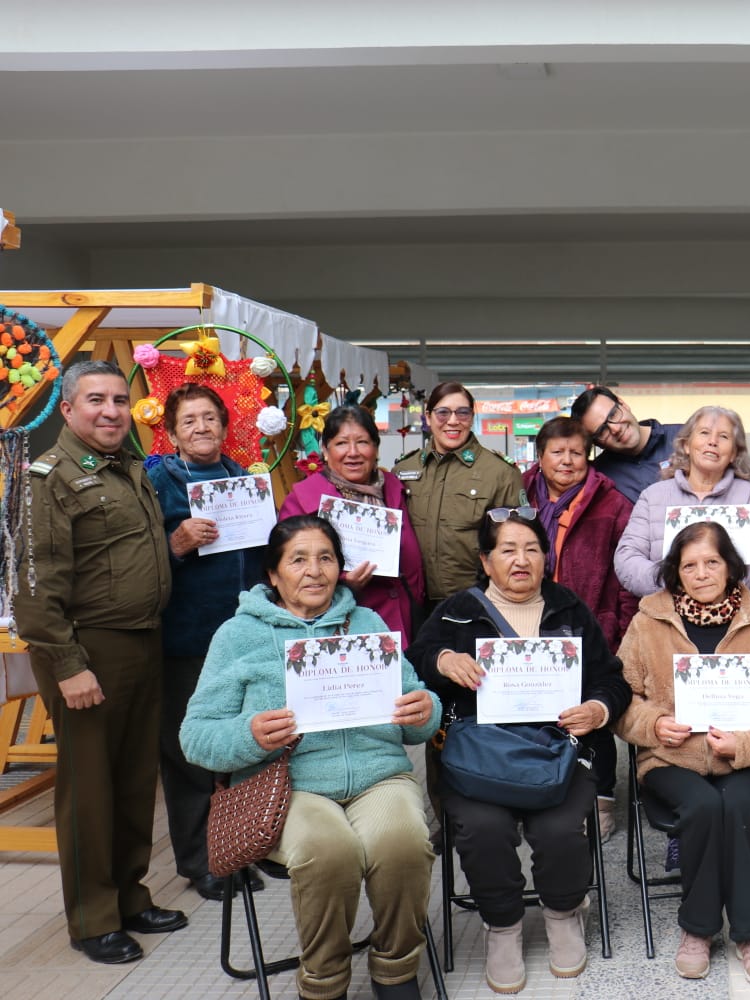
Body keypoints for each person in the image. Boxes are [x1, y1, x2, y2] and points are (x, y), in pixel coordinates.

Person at [181, 516, 438, 1000]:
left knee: (403, 840)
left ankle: (396, 969)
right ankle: (324, 982)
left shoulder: (367, 623)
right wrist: (250, 734)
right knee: (329, 851)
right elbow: (194, 737)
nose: (314, 571)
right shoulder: (238, 636)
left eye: (325, 558)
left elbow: (418, 713)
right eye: (298, 559)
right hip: (290, 787)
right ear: (273, 575)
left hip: (378, 776)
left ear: (341, 567)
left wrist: (425, 709)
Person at [407, 507, 630, 993]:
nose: (521, 560)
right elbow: (414, 663)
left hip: (559, 753)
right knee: (482, 829)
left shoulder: (568, 607)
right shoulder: (456, 611)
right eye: (507, 550)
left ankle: (563, 912)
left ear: (546, 558)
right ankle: (502, 925)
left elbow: (611, 680)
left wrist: (596, 709)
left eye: (531, 549)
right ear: (486, 561)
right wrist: (443, 658)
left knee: (560, 830)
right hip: (479, 758)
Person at [12, 360, 185, 965]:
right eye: (95, 400)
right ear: (67, 410)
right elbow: (34, 587)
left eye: (118, 399)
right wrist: (67, 664)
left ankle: (131, 896)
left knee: (136, 780)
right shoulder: (48, 478)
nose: (111, 411)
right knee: (89, 789)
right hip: (89, 651)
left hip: (142, 641)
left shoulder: (128, 466)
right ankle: (92, 918)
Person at [616, 522, 750, 985]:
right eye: (690, 565)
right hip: (670, 757)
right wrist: (655, 725)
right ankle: (698, 929)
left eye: (712, 562)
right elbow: (621, 698)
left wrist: (748, 744)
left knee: (738, 804)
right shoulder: (648, 621)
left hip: (744, 756)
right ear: (675, 573)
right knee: (702, 806)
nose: (702, 573)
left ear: (731, 566)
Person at [145, 382, 266, 901]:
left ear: (225, 425)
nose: (201, 428)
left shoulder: (243, 479)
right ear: (170, 431)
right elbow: (139, 557)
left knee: (239, 749)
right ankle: (199, 861)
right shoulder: (158, 481)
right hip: (186, 639)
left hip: (241, 637)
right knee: (189, 753)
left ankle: (238, 849)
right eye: (189, 420)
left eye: (210, 418)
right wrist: (176, 544)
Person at [521, 415, 639, 840]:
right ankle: (541, 788)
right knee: (537, 711)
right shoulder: (518, 496)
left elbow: (626, 577)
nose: (567, 461)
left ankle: (602, 796)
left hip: (592, 624)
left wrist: (620, 631)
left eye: (576, 452)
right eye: (558, 452)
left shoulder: (612, 504)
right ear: (540, 456)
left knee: (595, 714)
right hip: (529, 625)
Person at [281, 404, 425, 645]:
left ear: (376, 448)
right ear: (325, 450)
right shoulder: (302, 500)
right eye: (341, 443)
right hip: (336, 630)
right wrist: (343, 583)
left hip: (401, 625)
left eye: (362, 442)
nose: (353, 452)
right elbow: (286, 572)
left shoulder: (394, 489)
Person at [614, 404, 750, 598]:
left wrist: (723, 588)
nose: (712, 442)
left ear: (733, 453)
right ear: (686, 445)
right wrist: (673, 583)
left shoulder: (749, 495)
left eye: (723, 436)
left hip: (734, 615)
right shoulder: (653, 496)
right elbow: (627, 557)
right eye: (704, 433)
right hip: (666, 614)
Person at [394, 381, 523, 606]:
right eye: (443, 413)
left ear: (472, 417)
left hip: (477, 601)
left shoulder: (499, 472)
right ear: (427, 416)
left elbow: (516, 542)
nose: (453, 421)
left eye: (462, 413)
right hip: (412, 602)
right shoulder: (403, 470)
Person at [572, 385, 683, 503]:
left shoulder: (687, 438)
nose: (615, 429)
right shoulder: (599, 478)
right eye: (602, 430)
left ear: (623, 404)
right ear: (596, 443)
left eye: (613, 414)